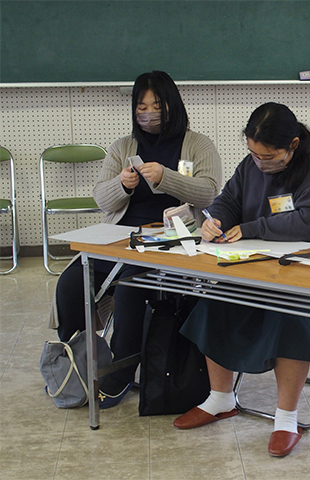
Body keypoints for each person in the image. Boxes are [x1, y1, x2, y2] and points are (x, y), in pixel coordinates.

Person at [173, 102, 310, 457]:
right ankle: (221, 399)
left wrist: (250, 228)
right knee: (215, 300)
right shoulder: (252, 164)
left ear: (294, 145)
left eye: (268, 157)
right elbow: (227, 200)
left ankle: (286, 418)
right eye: (253, 154)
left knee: (289, 314)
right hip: (261, 263)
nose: (260, 164)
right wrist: (216, 221)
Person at [50, 70, 223, 408]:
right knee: (71, 284)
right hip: (121, 237)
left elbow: (208, 192)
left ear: (172, 105)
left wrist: (166, 177)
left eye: (156, 106)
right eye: (141, 107)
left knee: (130, 290)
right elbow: (102, 199)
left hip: (170, 240)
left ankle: (120, 375)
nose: (148, 113)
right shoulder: (123, 146)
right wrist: (123, 185)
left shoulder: (198, 144)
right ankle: (78, 359)